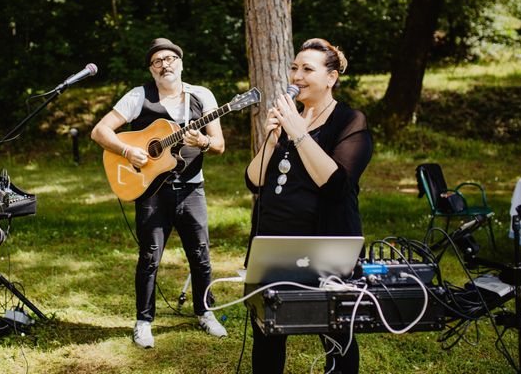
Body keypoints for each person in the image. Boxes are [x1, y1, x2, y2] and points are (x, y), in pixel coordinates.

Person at [245, 38, 373, 373]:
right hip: (274, 243)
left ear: (330, 78)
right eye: (294, 68)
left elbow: (335, 185)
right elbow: (254, 181)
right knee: (267, 330)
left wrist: (299, 132)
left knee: (335, 331)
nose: (297, 76)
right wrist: (272, 138)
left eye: (307, 69)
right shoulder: (288, 123)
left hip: (323, 245)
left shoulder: (350, 122)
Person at [91, 37, 228, 349]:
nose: (165, 65)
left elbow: (218, 144)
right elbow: (100, 131)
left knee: (200, 254)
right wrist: (128, 150)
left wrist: (202, 142)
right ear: (151, 69)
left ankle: (205, 312)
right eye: (158, 61)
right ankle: (144, 321)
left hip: (192, 187)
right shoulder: (139, 96)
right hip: (151, 190)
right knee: (150, 257)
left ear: (180, 62)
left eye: (170, 59)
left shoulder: (201, 95)